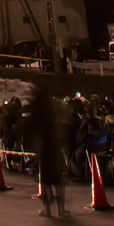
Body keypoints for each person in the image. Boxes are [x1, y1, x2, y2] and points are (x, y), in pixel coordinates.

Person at [26, 77, 69, 217]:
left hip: (44, 144)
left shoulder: (37, 104)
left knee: (45, 179)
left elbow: (32, 124)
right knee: (58, 177)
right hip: (55, 143)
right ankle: (62, 207)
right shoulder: (52, 103)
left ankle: (47, 208)